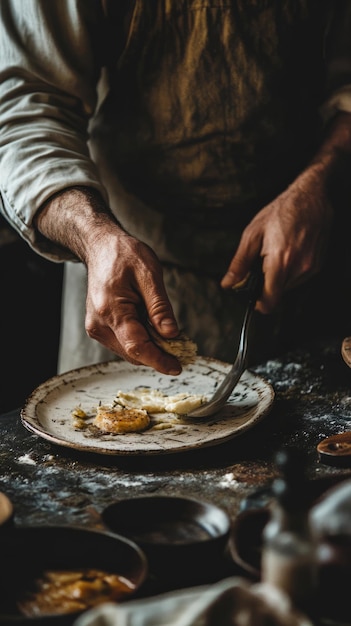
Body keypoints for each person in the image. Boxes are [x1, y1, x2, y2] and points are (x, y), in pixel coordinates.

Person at [1, 0, 351, 379]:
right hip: (128, 260)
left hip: (306, 247)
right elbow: (25, 116)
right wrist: (95, 237)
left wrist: (318, 180)